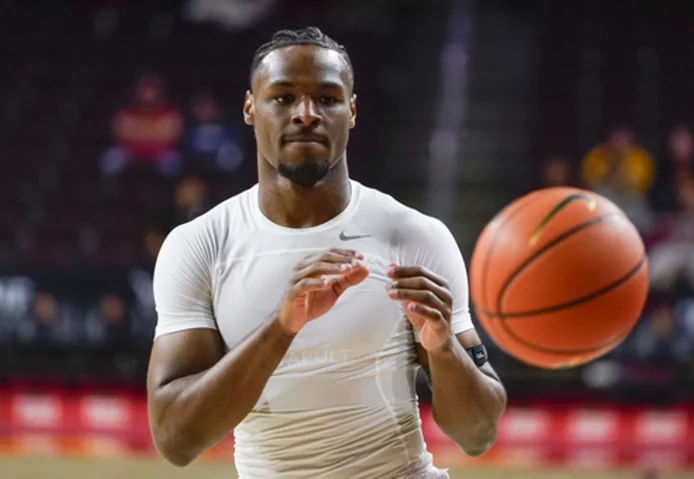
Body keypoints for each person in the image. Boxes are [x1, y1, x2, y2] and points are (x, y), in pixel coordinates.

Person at [146, 27, 506, 479]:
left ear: (351, 111)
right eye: (283, 98)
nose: (306, 114)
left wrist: (444, 350)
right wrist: (282, 326)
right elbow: (175, 439)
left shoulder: (414, 236)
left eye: (327, 98)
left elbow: (478, 434)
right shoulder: (201, 244)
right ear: (249, 108)